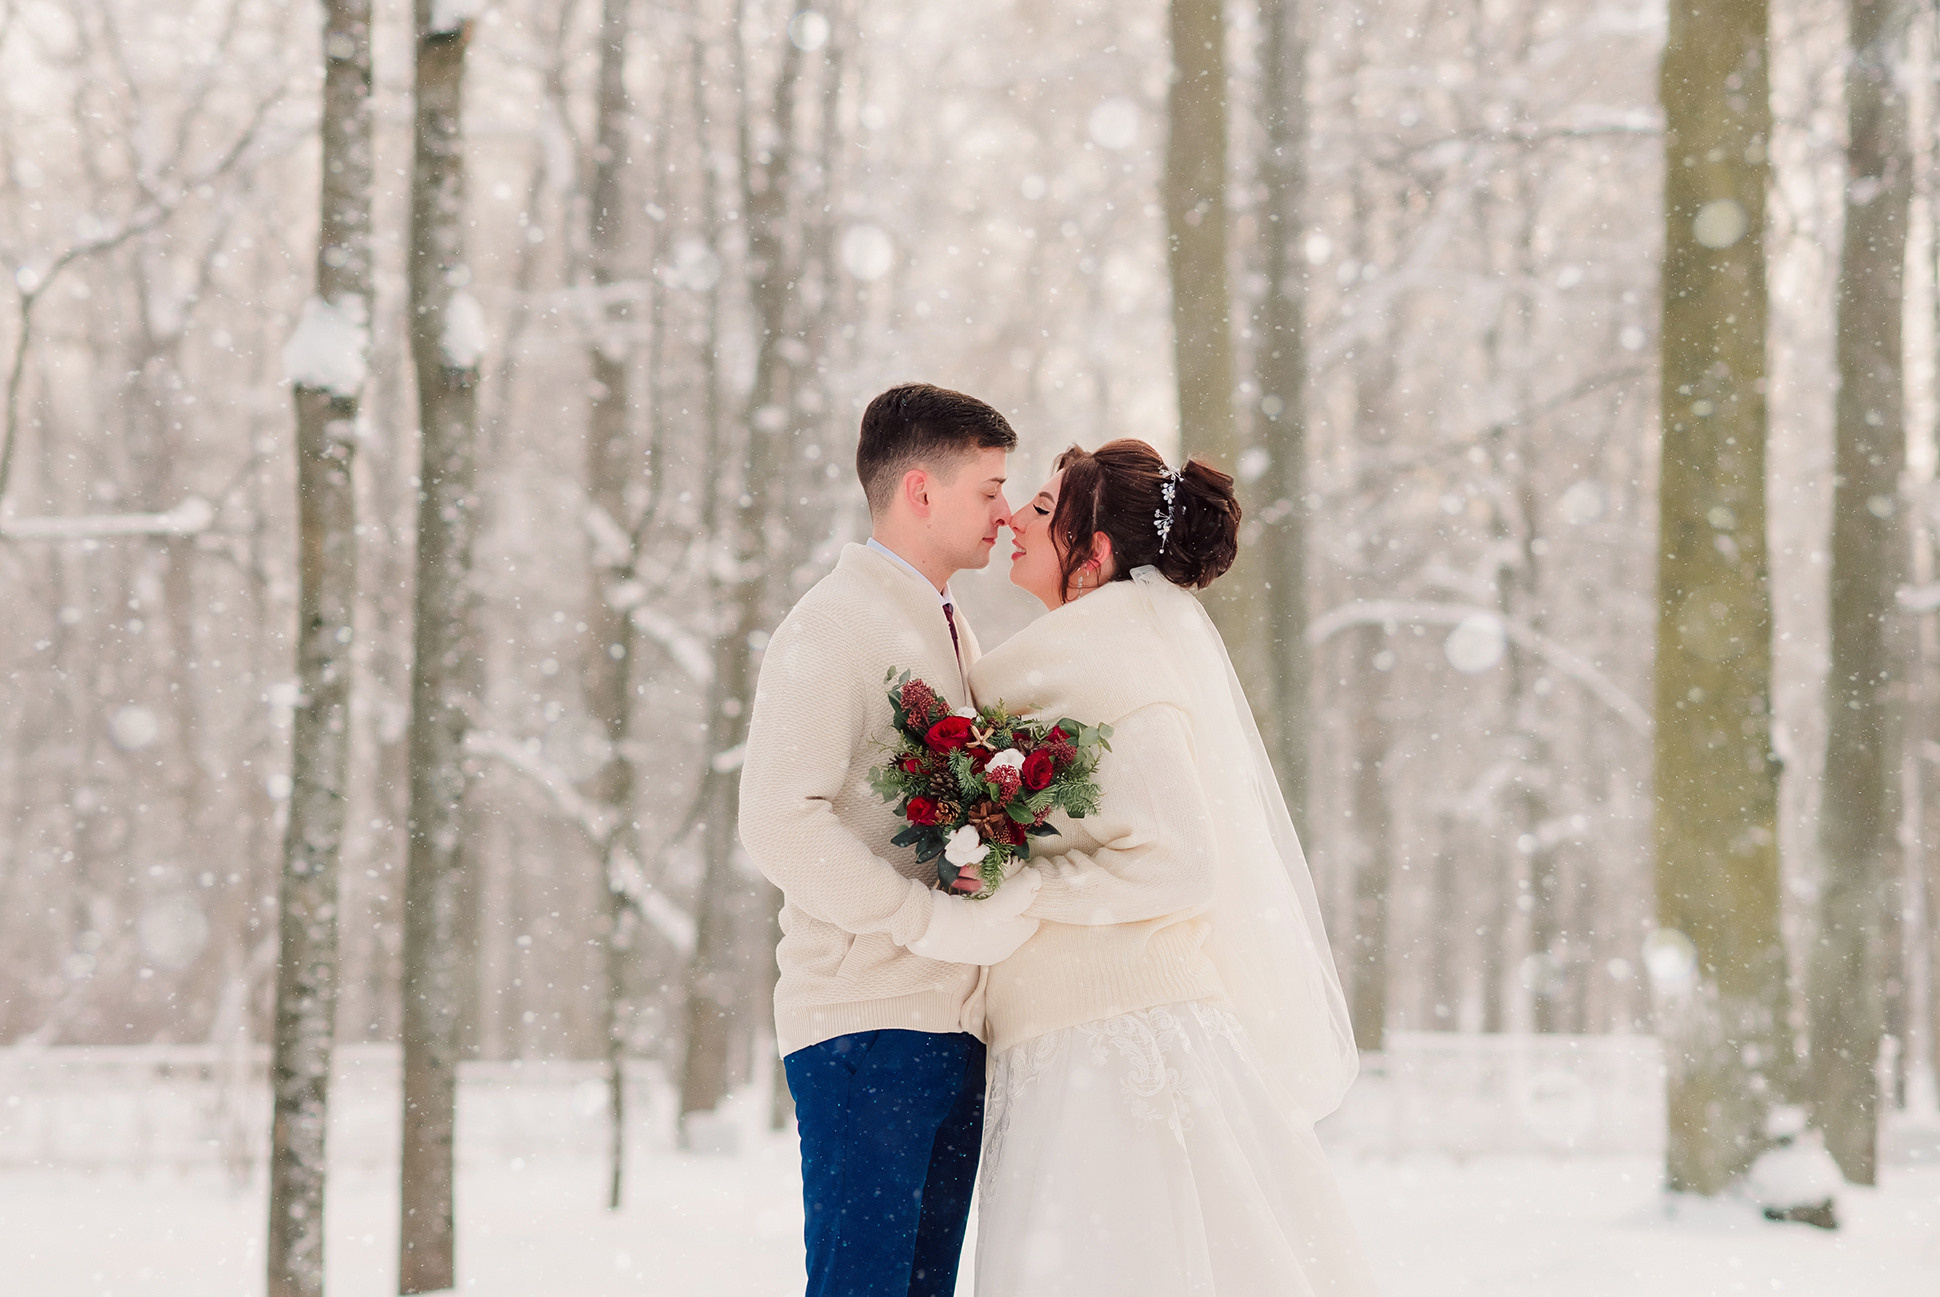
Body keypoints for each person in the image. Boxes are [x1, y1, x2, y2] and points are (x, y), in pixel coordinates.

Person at [964, 439, 1379, 1296]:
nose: (1011, 518)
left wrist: (1020, 885)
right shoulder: (1069, 667)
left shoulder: (1123, 667)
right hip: (1060, 1036)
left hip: (1111, 1046)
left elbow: (1183, 867)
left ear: (1098, 555)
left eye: (1041, 511)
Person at [738, 383, 1043, 1297]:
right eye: (988, 490)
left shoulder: (949, 625)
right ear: (920, 491)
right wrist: (924, 922)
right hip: (867, 1028)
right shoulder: (832, 624)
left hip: (947, 1026)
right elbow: (778, 819)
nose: (1003, 512)